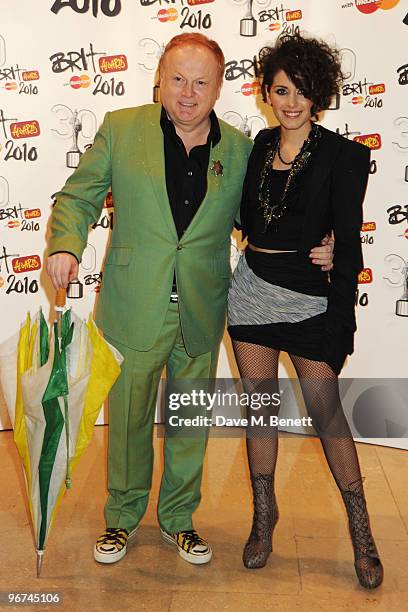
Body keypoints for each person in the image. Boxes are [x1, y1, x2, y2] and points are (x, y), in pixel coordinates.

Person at [46, 33, 332, 567]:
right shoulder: (121, 128)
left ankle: (179, 520)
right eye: (178, 78)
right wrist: (65, 243)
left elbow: (267, 220)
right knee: (128, 420)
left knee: (189, 420)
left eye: (201, 82)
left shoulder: (243, 151)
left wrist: (324, 240)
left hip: (202, 308)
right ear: (160, 78)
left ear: (220, 89)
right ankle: (123, 518)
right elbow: (78, 195)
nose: (187, 92)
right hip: (133, 306)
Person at [227, 33, 383, 589]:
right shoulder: (258, 147)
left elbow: (350, 239)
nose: (291, 102)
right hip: (251, 291)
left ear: (320, 95)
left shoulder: (343, 156)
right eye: (281, 90)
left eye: (302, 92)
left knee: (327, 414)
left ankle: (361, 531)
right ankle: (264, 517)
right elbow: (247, 220)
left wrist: (341, 311)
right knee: (259, 410)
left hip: (311, 300)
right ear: (268, 92)